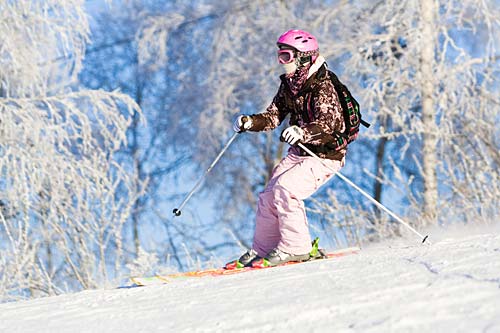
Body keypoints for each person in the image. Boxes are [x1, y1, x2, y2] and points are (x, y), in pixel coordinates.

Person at [228, 29, 346, 268]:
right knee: (269, 196)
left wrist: (303, 132)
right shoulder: (290, 85)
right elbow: (273, 116)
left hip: (324, 155)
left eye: (286, 56)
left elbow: (329, 123)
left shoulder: (323, 86)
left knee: (286, 190)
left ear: (303, 57)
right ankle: (264, 248)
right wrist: (250, 122)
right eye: (280, 56)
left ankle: (297, 248)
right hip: (300, 153)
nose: (281, 63)